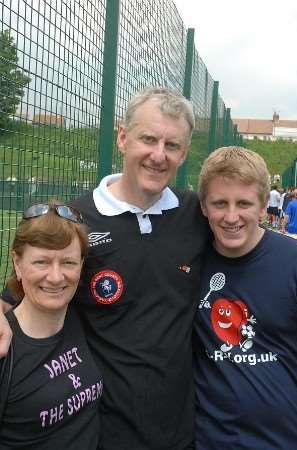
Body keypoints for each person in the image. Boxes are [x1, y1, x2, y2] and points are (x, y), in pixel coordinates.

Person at [1, 87, 210, 450]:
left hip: (180, 435)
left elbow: (250, 235)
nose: (158, 155)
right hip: (102, 434)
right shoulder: (76, 223)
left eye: (172, 145)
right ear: (123, 137)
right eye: (148, 139)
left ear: (184, 154)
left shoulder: (196, 215)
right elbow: (18, 293)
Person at [194, 146, 297, 449]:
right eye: (219, 203)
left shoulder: (295, 263)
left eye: (243, 203)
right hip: (210, 440)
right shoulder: (189, 266)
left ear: (263, 205)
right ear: (203, 206)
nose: (231, 216)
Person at [0, 201, 103, 449]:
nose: (56, 277)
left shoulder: (81, 318)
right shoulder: (4, 347)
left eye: (68, 262)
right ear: (17, 263)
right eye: (41, 262)